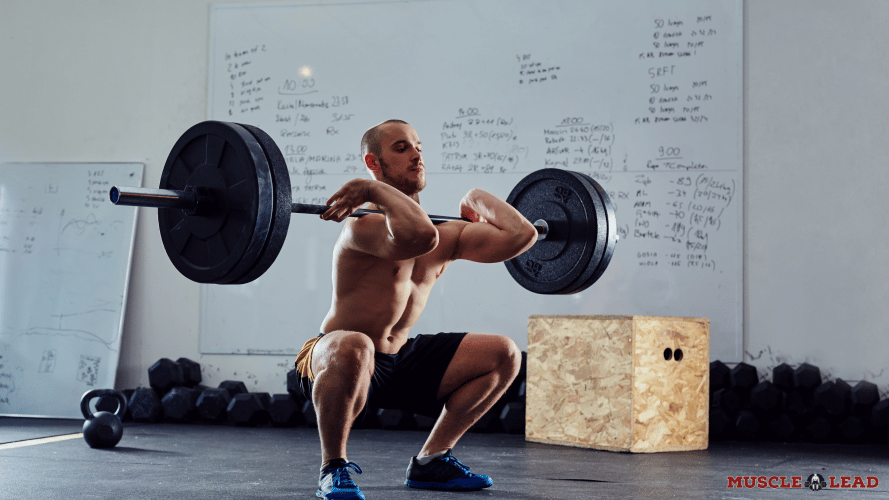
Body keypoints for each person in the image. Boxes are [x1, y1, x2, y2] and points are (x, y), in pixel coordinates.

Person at [294, 119, 537, 500]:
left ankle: (432, 460)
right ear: (373, 162)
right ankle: (333, 467)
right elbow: (417, 237)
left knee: (503, 354)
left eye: (418, 146)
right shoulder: (364, 226)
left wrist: (476, 198)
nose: (416, 154)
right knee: (356, 344)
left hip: (396, 360)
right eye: (402, 148)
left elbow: (522, 236)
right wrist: (373, 191)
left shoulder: (448, 233)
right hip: (336, 358)